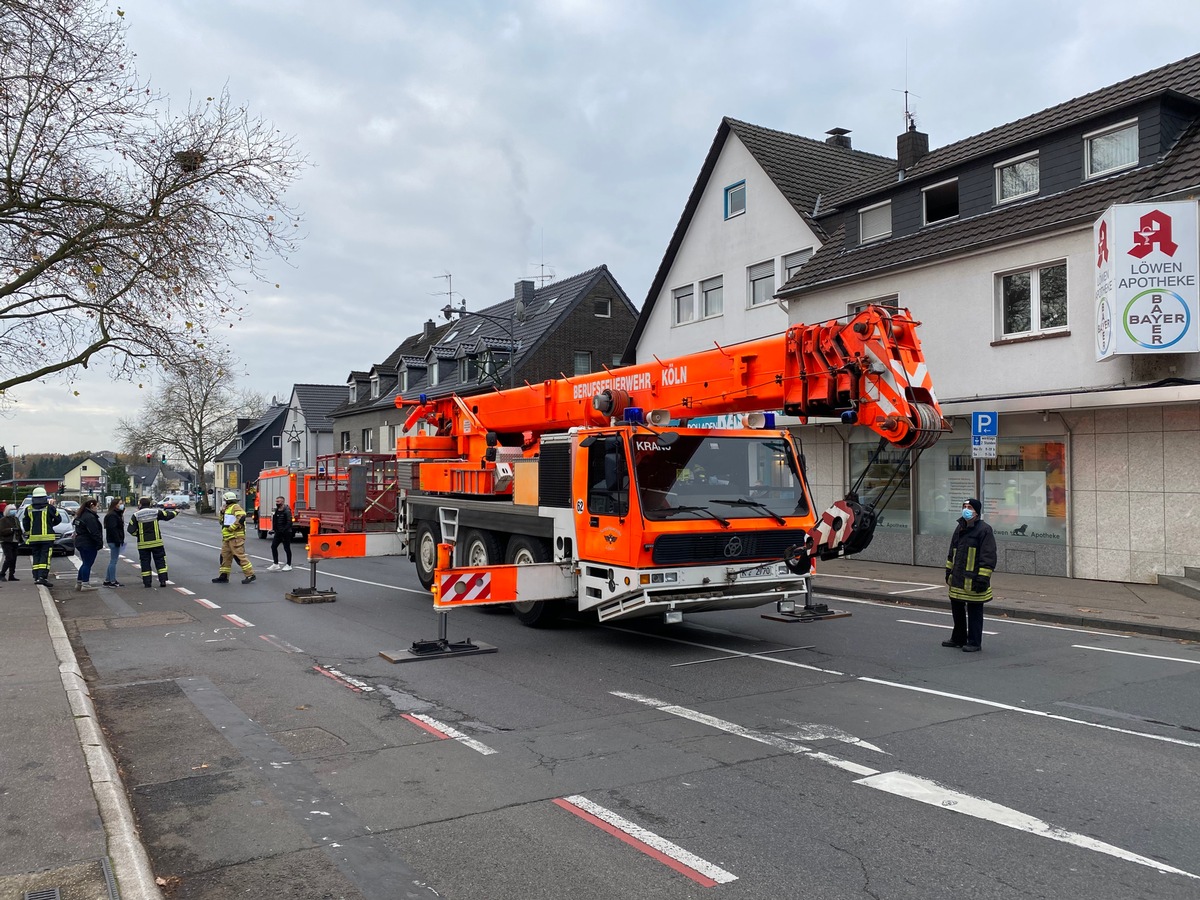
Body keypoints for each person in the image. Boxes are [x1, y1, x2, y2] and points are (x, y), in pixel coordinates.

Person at [943, 497, 996, 652]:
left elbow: (988, 556)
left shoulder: (984, 530)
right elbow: (952, 552)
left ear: (977, 512)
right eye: (965, 506)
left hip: (974, 580)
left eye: (970, 507)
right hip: (958, 579)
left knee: (974, 612)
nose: (966, 510)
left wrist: (983, 578)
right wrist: (948, 571)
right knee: (957, 610)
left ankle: (974, 642)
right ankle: (958, 638)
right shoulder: (959, 527)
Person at [128, 497, 177, 588]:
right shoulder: (155, 512)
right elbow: (167, 516)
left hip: (143, 544)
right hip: (156, 542)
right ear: (149, 504)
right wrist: (176, 512)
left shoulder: (136, 515)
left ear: (140, 505)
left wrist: (138, 535)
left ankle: (147, 583)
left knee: (145, 563)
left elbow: (130, 529)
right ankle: (162, 581)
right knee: (160, 561)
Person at [20, 487, 61, 585]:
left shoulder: (28, 508)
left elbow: (25, 523)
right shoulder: (50, 508)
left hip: (34, 538)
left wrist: (29, 532)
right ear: (45, 497)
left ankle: (37, 576)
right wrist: (50, 525)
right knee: (45, 557)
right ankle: (42, 577)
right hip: (47, 538)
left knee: (36, 557)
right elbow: (58, 519)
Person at [213, 491, 255, 584]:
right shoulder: (227, 509)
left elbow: (242, 517)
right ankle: (224, 576)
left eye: (224, 500)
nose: (223, 501)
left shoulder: (235, 507)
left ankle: (250, 575)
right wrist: (222, 512)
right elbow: (222, 522)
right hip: (227, 537)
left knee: (239, 556)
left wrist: (232, 528)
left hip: (235, 537)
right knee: (225, 557)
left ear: (227, 500)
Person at [72, 498, 104, 592]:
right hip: (88, 543)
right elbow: (94, 532)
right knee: (87, 564)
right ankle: (85, 584)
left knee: (85, 563)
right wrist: (99, 542)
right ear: (92, 506)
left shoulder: (81, 515)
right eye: (97, 506)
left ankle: (79, 582)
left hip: (80, 542)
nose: (97, 508)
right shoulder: (90, 517)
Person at [103, 498, 127, 587]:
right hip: (114, 540)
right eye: (120, 503)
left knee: (113, 560)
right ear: (115, 505)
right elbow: (113, 529)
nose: (122, 505)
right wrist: (118, 540)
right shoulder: (113, 515)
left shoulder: (115, 514)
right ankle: (112, 581)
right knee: (113, 561)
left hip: (114, 540)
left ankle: (108, 580)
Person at [267, 496, 293, 572]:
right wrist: (273, 529)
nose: (277, 503)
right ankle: (275, 564)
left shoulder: (287, 511)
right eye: (276, 501)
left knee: (286, 548)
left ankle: (289, 564)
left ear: (282, 502)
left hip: (286, 533)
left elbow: (289, 522)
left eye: (278, 501)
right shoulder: (277, 510)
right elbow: (275, 521)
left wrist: (284, 530)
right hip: (278, 532)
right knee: (273, 546)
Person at [0, 506, 21, 581]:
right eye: (12, 510)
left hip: (15, 541)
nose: (14, 511)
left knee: (14, 559)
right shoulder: (3, 520)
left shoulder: (16, 519)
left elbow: (19, 529)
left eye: (14, 509)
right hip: (6, 541)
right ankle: (2, 574)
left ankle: (11, 575)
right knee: (9, 558)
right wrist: (11, 529)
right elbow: (2, 531)